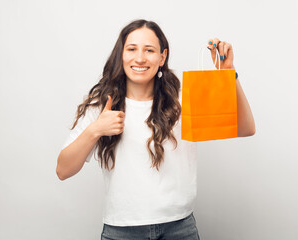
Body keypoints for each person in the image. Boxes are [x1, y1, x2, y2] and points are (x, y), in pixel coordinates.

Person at [56, 19, 255, 240]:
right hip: (122, 231)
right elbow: (63, 170)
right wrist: (95, 130)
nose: (140, 58)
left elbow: (246, 128)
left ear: (162, 57)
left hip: (179, 229)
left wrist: (229, 75)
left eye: (149, 50)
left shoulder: (183, 101)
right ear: (121, 54)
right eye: (131, 49)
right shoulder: (103, 105)